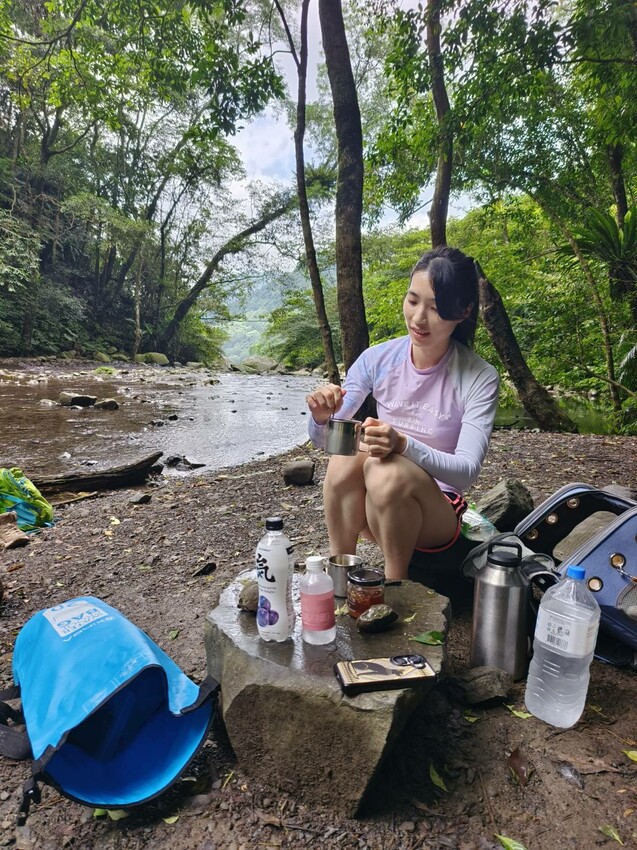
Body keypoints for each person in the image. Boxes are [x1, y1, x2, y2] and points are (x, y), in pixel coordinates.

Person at [306, 246, 500, 580]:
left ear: (463, 311)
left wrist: (402, 445)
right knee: (346, 457)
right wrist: (322, 417)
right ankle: (340, 577)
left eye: (435, 308)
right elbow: (325, 441)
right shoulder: (377, 359)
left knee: (388, 470)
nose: (419, 318)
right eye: (412, 300)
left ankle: (397, 586)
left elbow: (466, 473)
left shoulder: (479, 376)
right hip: (376, 511)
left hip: (437, 516)